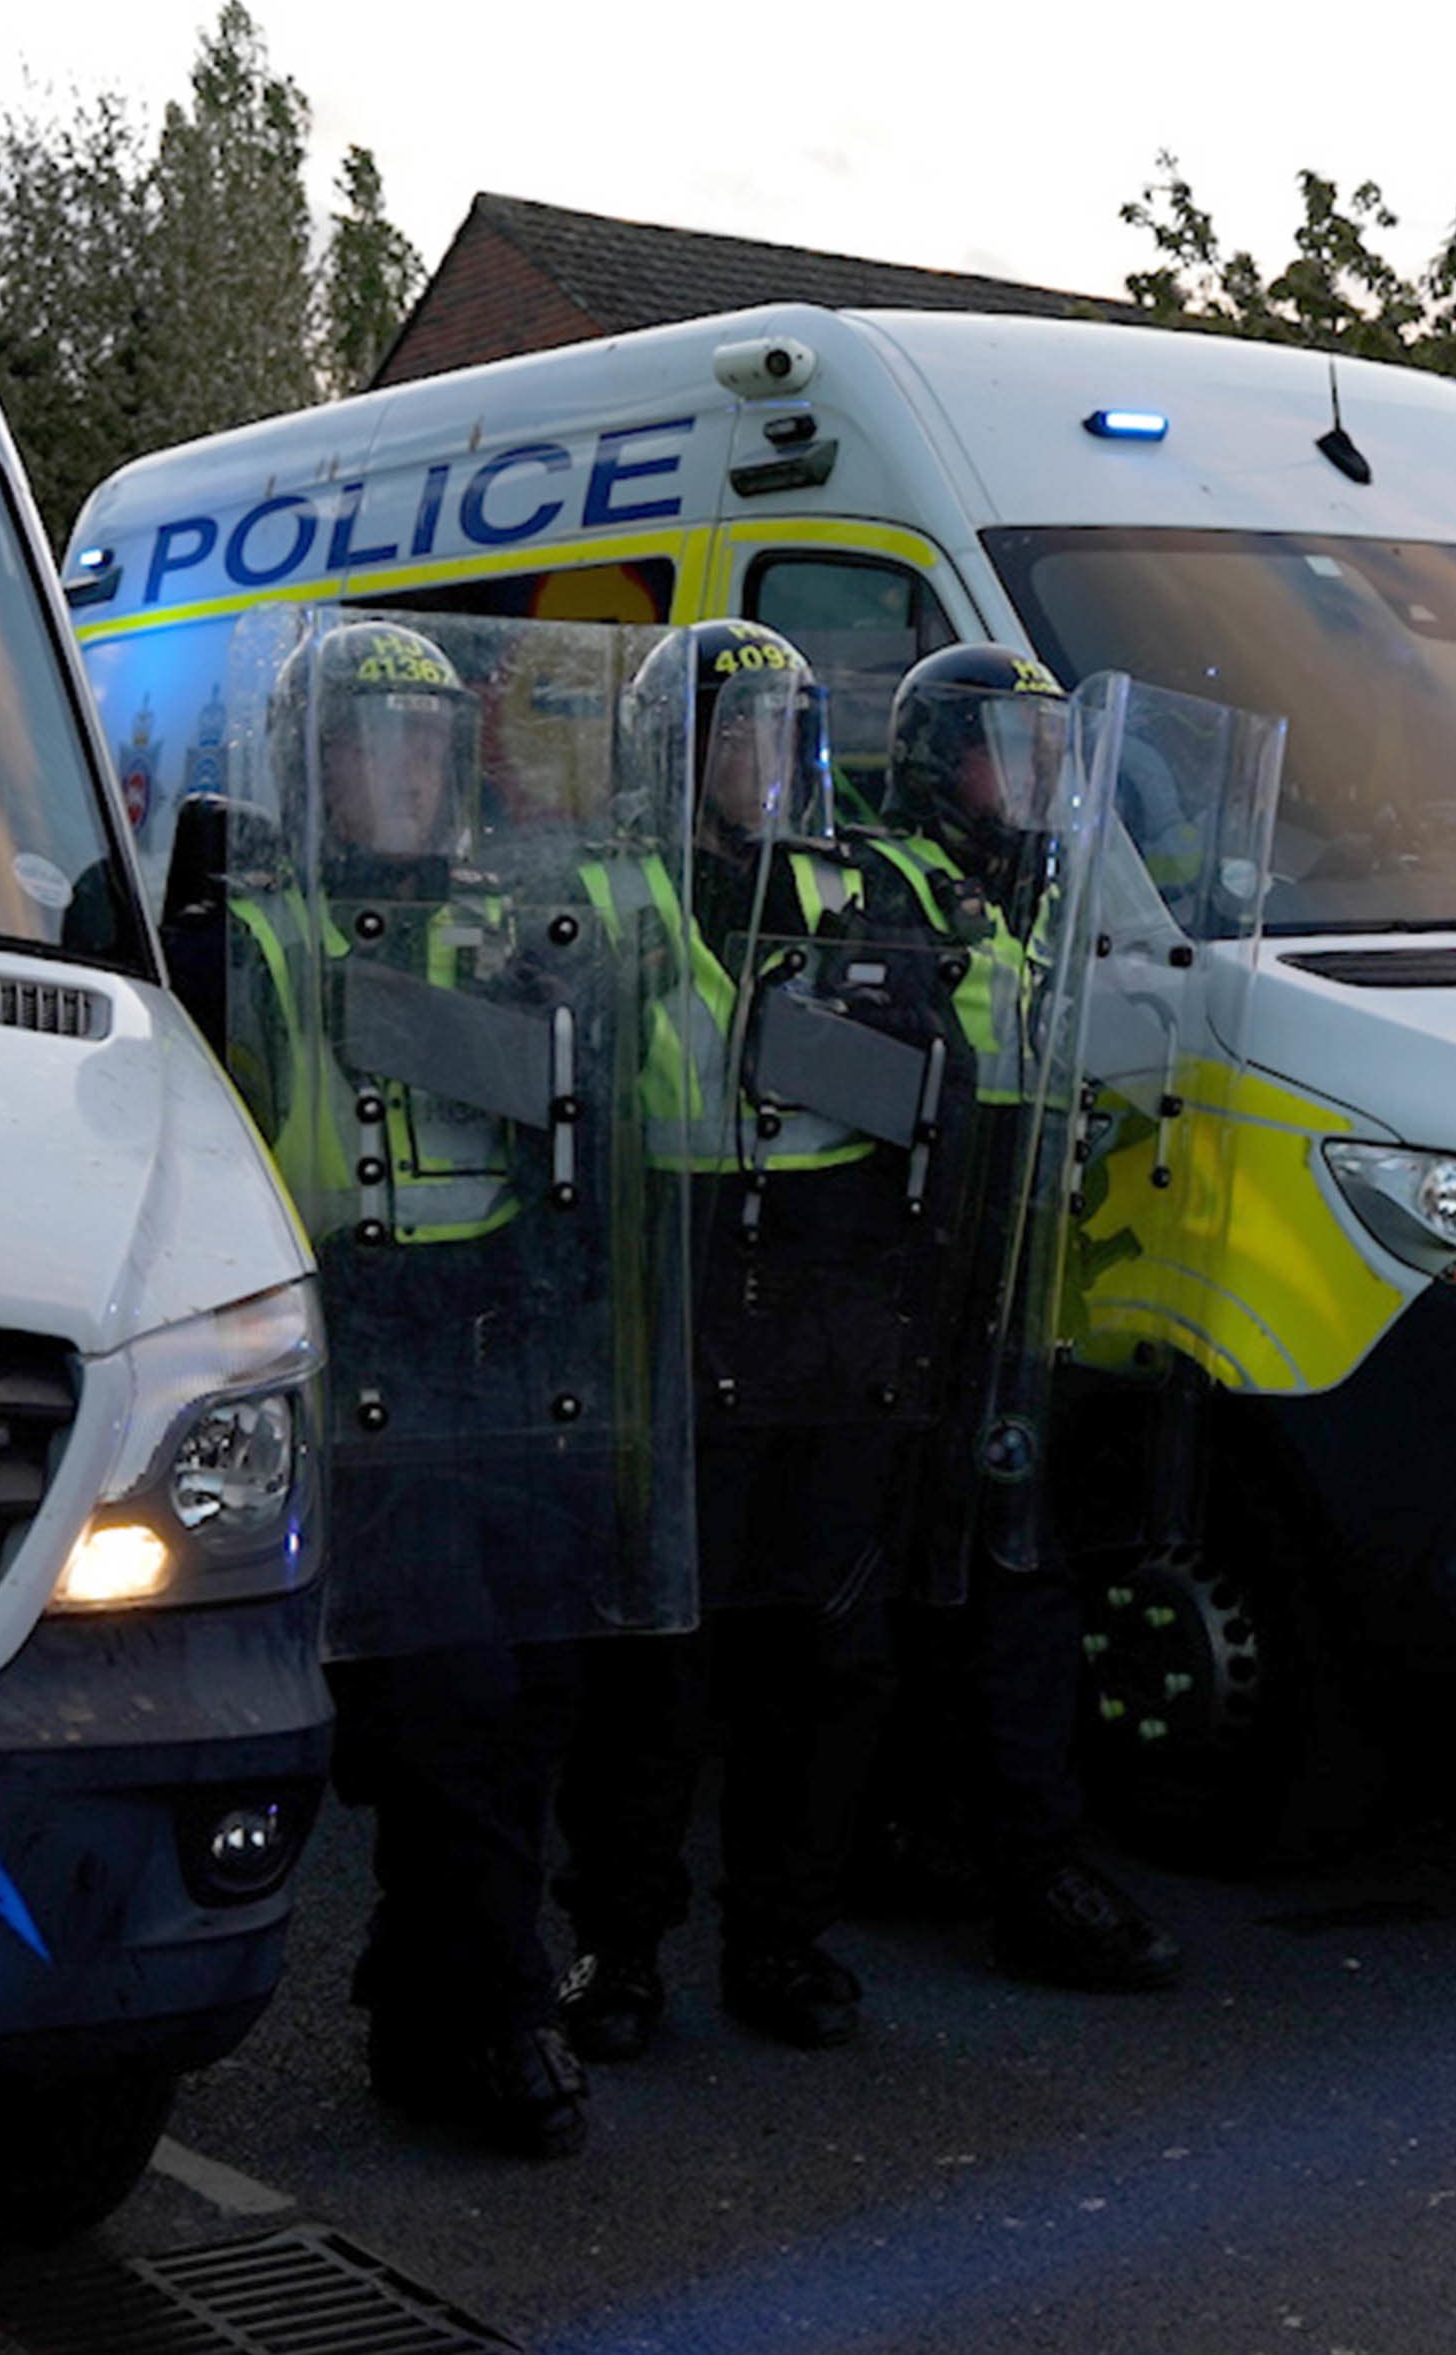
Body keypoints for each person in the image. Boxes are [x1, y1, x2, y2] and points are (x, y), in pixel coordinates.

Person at [196, 616, 646, 2158]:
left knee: (536, 1689)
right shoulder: (251, 932)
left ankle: (425, 1974)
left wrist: (568, 1017)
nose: (402, 773)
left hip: (500, 1340)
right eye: (367, 743)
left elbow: (585, 1149)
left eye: (426, 744)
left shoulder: (497, 923)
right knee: (455, 1699)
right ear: (307, 768)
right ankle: (493, 2015)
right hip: (349, 1347)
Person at [554, 618, 945, 2055]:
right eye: (732, 731)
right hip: (678, 1293)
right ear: (673, 748)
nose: (759, 759)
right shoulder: (607, 891)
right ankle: (618, 1941)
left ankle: (783, 1934)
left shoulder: (856, 887)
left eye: (782, 730)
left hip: (834, 1309)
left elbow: (929, 1070)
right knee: (658, 1660)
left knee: (825, 1654)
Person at [848, 643, 1184, 1994]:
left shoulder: (1029, 904)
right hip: (902, 1300)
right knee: (942, 1592)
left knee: (1004, 1583)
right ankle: (983, 1856)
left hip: (1009, 1297)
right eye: (1009, 749)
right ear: (941, 761)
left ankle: (978, 1840)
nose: (1037, 780)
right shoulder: (884, 896)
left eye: (1053, 752)